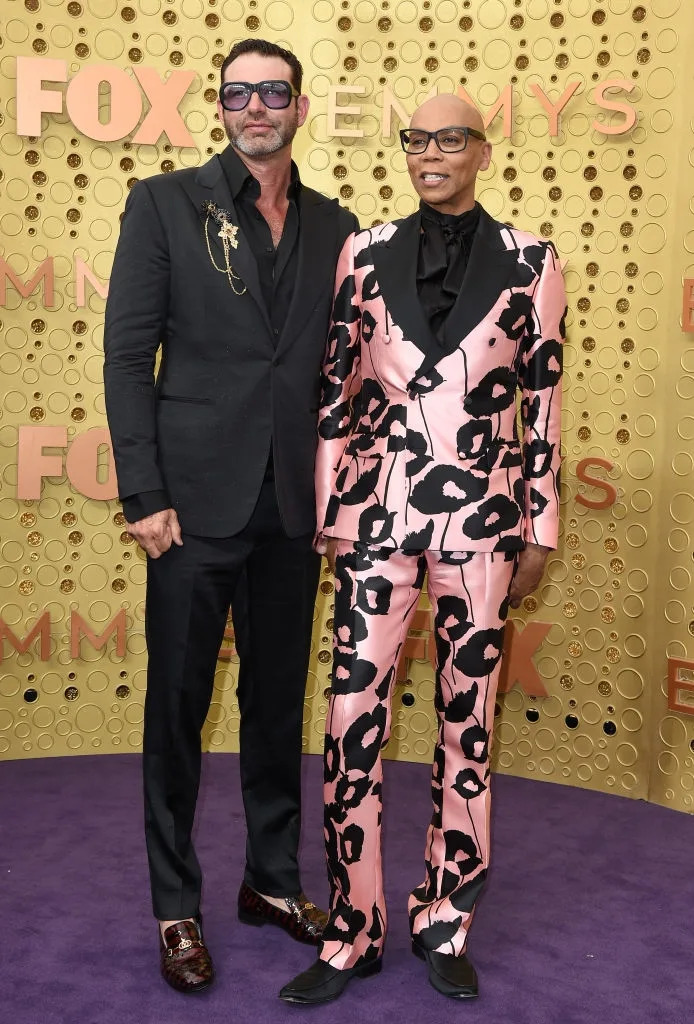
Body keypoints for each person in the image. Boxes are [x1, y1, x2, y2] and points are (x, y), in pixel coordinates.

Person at [280, 94, 566, 1005]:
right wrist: (333, 509)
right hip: (375, 519)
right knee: (348, 717)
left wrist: (540, 524)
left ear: (482, 151)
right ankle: (353, 929)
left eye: (449, 139)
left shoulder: (533, 260)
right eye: (416, 140)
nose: (430, 153)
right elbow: (337, 386)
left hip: (485, 521)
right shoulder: (362, 253)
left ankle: (445, 919)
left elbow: (544, 399)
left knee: (466, 725)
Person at [103, 38, 358, 994]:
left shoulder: (338, 226)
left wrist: (344, 494)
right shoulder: (165, 203)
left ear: (300, 107)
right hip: (191, 508)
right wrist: (144, 494)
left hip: (293, 508)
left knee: (275, 704)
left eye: (273, 92)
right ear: (219, 107)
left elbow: (345, 370)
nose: (256, 106)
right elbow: (128, 356)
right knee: (177, 708)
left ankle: (272, 881)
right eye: (238, 92)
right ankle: (176, 905)